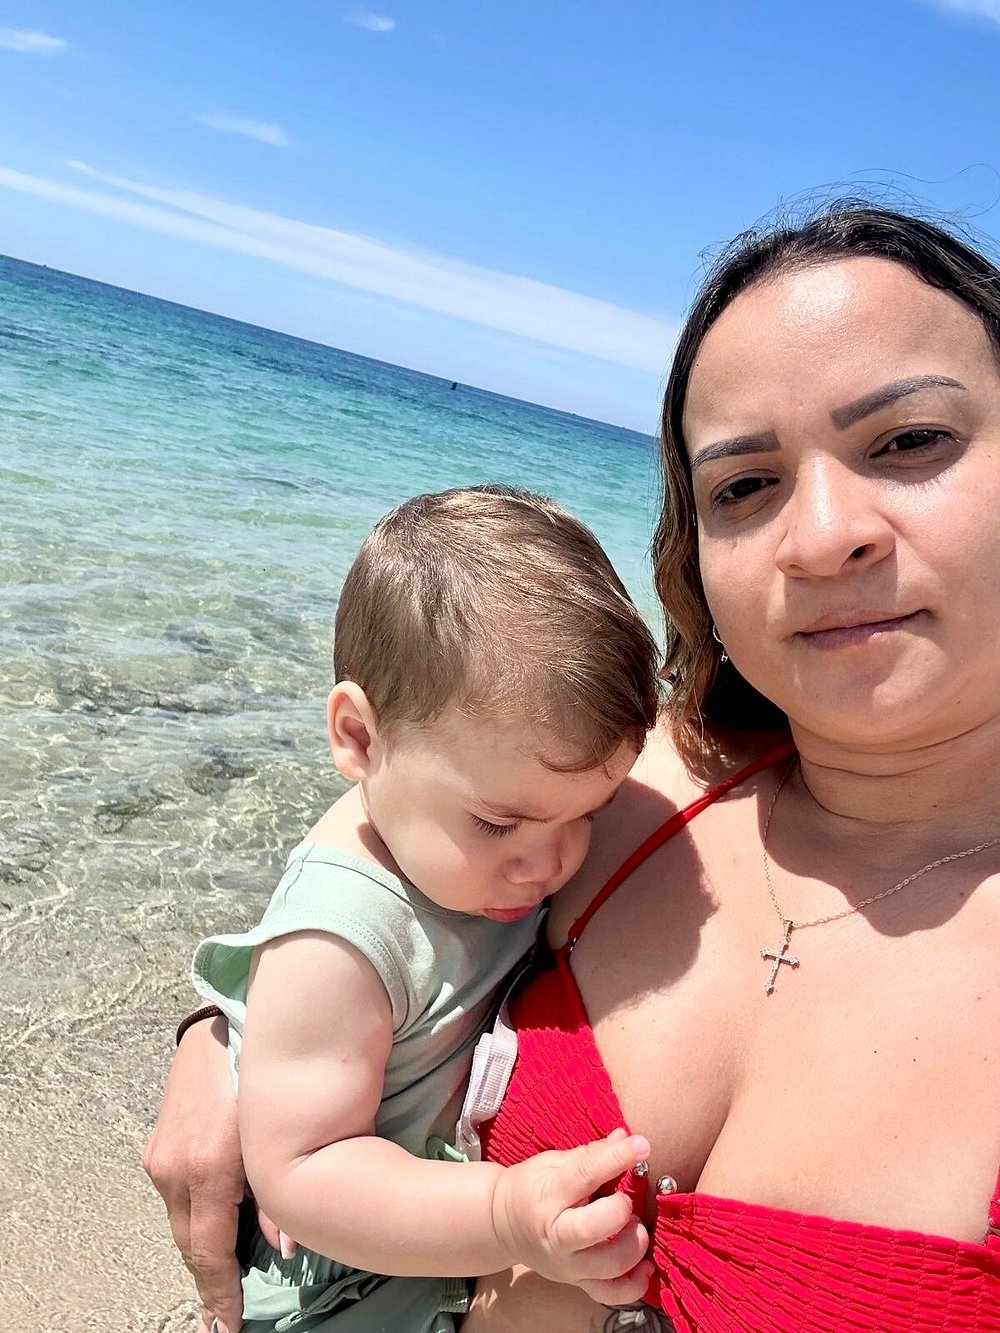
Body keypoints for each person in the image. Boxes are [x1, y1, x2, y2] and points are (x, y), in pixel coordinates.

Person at [145, 202, 1000, 1332]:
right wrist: (228, 1038)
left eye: (910, 440)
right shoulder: (638, 784)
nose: (823, 533)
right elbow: (390, 811)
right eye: (744, 485)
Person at [182, 485, 661, 1333]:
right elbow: (304, 1170)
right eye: (499, 823)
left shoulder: (466, 821)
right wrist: (505, 1214)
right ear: (360, 739)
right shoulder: (339, 940)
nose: (550, 860)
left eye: (588, 813)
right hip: (340, 1296)